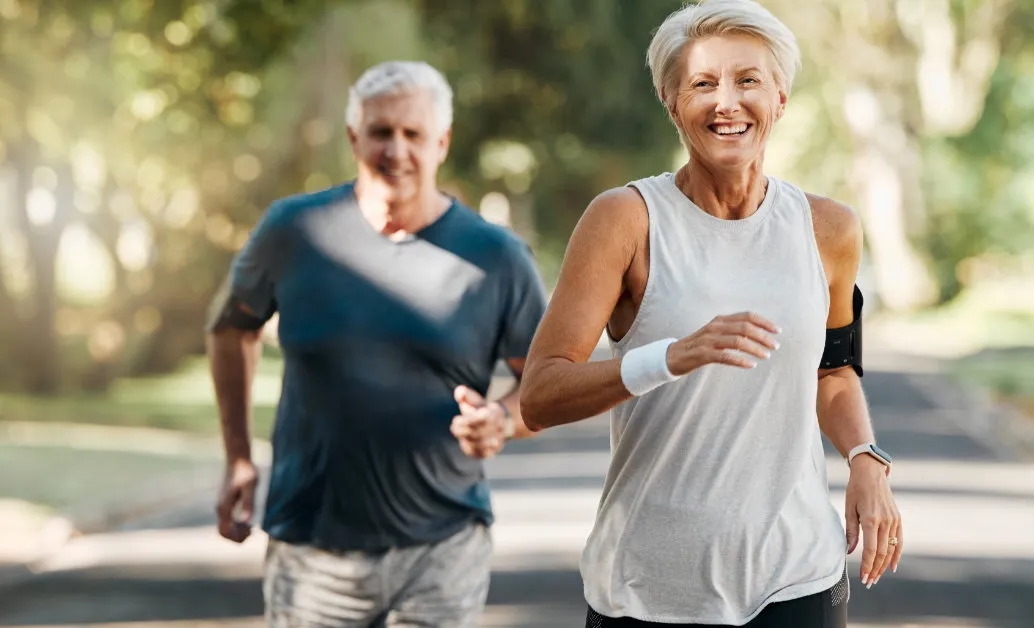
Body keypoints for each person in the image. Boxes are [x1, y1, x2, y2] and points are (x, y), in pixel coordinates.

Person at [520, 1, 902, 626]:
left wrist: (865, 456)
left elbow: (833, 372)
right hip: (650, 587)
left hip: (798, 577)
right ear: (672, 104)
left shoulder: (828, 229)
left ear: (780, 98)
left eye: (748, 80)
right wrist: (669, 357)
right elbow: (540, 394)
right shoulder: (626, 220)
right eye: (702, 84)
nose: (727, 102)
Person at [205, 60, 547, 627]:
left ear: (442, 142)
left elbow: (547, 381)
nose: (396, 150)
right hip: (313, 554)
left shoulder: (497, 257)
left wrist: (503, 420)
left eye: (413, 134)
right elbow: (231, 328)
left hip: (444, 548)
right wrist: (238, 456)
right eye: (380, 132)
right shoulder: (293, 230)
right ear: (353, 137)